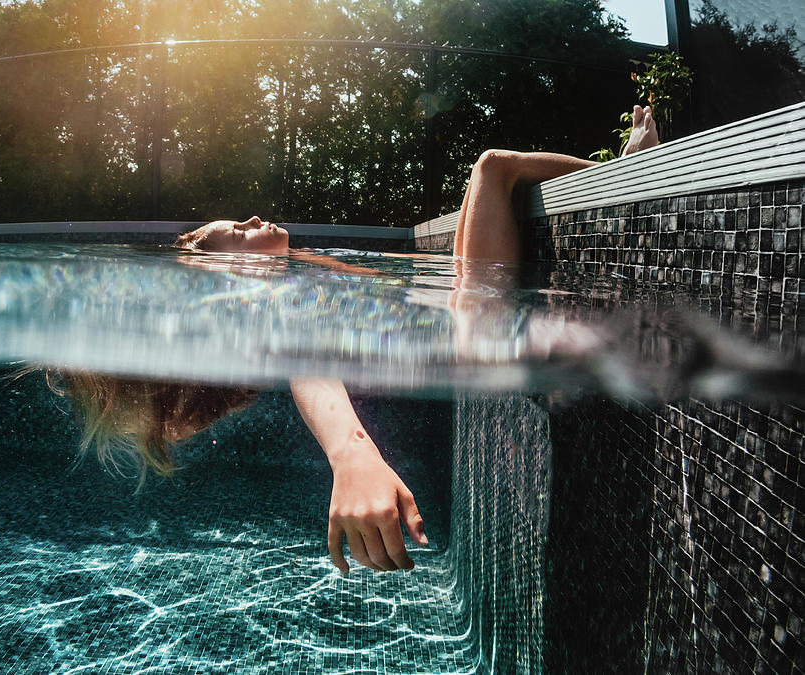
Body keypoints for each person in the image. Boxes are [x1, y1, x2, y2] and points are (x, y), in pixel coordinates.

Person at [60, 105, 659, 575]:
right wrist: (350, 454)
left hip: (467, 313)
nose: (251, 220)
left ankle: (633, 167)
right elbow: (307, 364)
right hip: (480, 336)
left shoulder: (296, 268)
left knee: (493, 169)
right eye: (236, 234)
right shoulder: (268, 302)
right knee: (492, 167)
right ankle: (639, 173)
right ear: (225, 279)